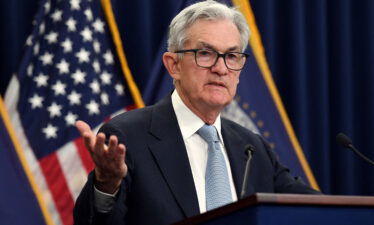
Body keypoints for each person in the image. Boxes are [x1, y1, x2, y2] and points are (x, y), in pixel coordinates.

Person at [73, 1, 319, 224]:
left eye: (232, 56)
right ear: (174, 65)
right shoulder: (128, 137)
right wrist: (106, 184)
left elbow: (317, 210)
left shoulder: (254, 149)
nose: (221, 68)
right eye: (205, 54)